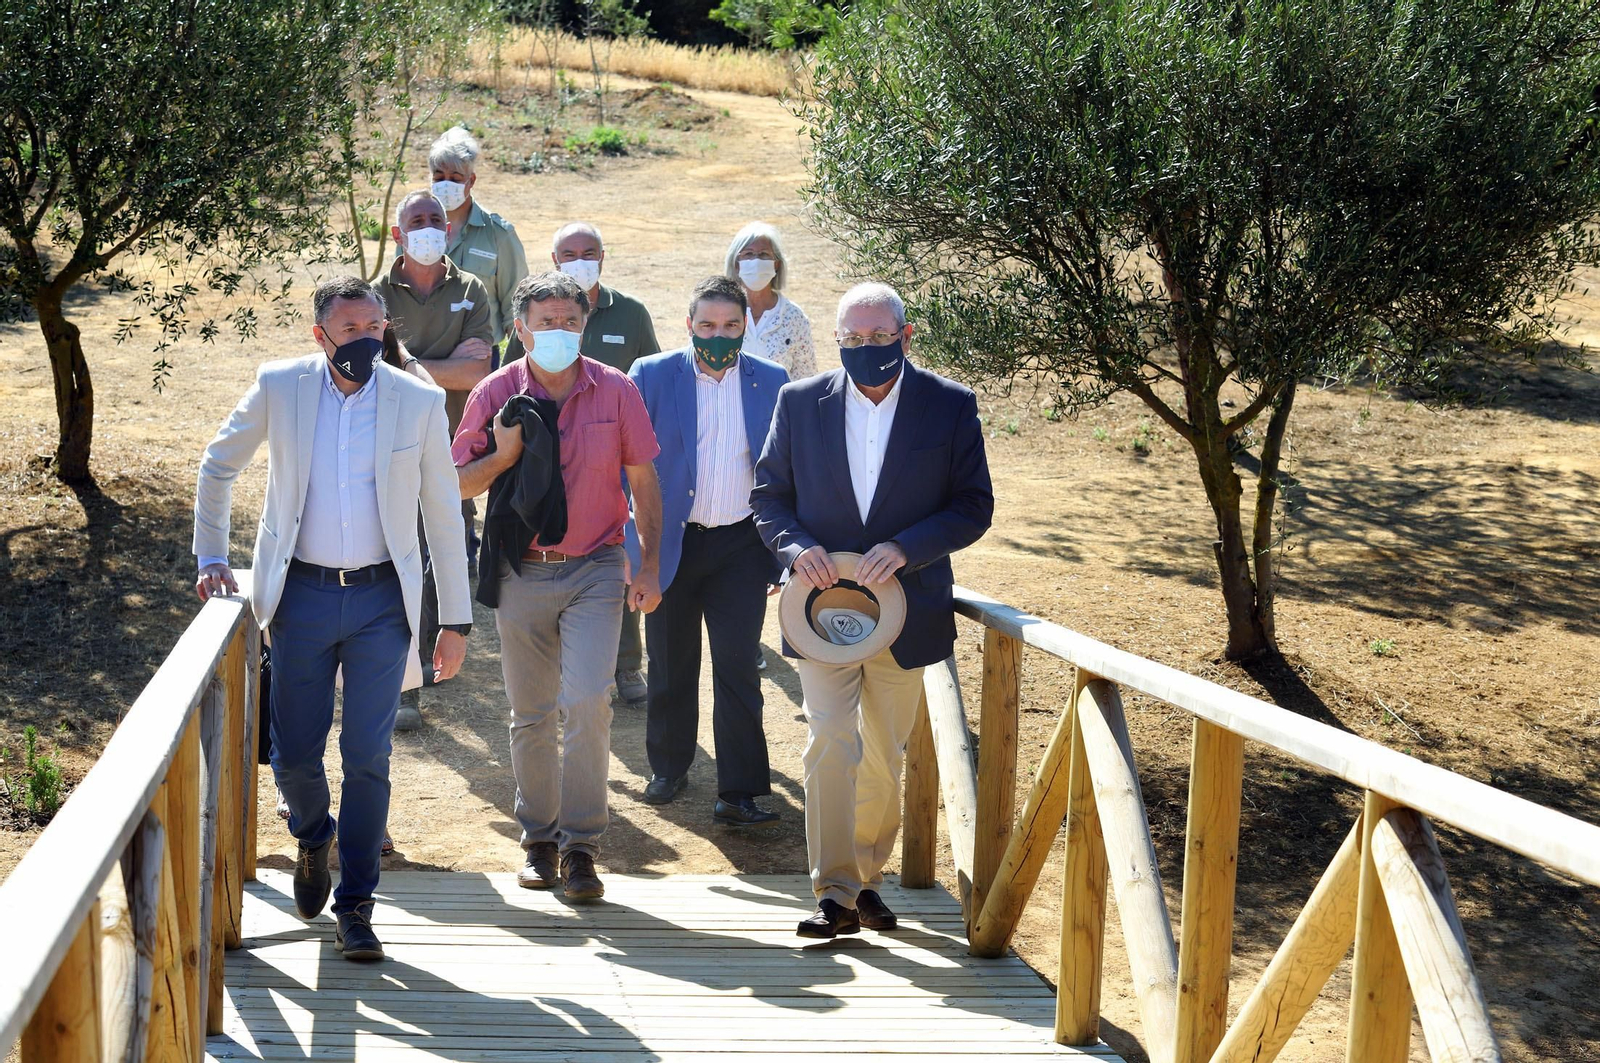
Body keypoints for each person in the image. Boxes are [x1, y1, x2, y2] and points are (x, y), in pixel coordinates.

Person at [193, 276, 472, 961]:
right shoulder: (281, 386)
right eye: (350, 330)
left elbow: (443, 512)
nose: (366, 339)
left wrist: (456, 619)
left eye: (374, 326)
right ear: (321, 336)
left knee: (368, 756)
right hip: (300, 596)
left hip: (382, 601)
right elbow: (218, 463)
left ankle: (357, 906)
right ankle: (314, 834)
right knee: (292, 753)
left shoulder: (417, 400)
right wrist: (210, 555)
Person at [751, 282, 993, 939]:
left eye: (881, 337)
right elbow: (768, 497)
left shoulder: (948, 406)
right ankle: (833, 893)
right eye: (853, 339)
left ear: (906, 336)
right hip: (819, 609)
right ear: (837, 341)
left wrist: (907, 547)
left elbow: (974, 505)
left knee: (884, 754)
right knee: (830, 738)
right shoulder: (799, 403)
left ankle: (866, 880)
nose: (868, 349)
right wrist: (798, 549)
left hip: (906, 611)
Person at [454, 271, 664, 902]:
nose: (558, 333)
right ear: (519, 329)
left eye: (570, 322)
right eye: (545, 323)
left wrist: (649, 565)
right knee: (532, 713)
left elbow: (645, 484)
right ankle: (538, 840)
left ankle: (580, 848)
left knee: (587, 701)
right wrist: (505, 456)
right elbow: (460, 482)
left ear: (585, 326)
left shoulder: (617, 389)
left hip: (596, 566)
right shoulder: (493, 392)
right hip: (520, 566)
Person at [626, 276, 788, 825]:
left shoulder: (773, 380)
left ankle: (739, 791)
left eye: (731, 326)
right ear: (688, 325)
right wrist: (636, 554)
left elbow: (785, 472)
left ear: (746, 326)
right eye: (707, 325)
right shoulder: (650, 375)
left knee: (738, 664)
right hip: (670, 542)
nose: (719, 335)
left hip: (741, 544)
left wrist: (780, 554)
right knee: (670, 660)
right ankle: (669, 768)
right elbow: (626, 470)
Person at [507, 221, 663, 706]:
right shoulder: (535, 311)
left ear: (604, 255)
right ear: (554, 260)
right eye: (569, 252)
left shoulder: (632, 313)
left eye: (589, 251)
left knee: (612, 550)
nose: (580, 259)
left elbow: (650, 378)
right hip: (549, 458)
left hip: (614, 446)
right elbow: (512, 378)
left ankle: (627, 665)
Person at [377, 189, 496, 728]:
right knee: (399, 563)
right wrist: (444, 364)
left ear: (448, 229)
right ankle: (405, 684)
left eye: (435, 219)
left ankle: (428, 659)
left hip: (451, 451)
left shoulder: (472, 289)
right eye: (416, 220)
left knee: (443, 559)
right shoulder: (374, 295)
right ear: (398, 234)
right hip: (384, 449)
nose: (428, 227)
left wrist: (404, 362)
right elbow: (366, 368)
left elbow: (478, 372)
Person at [429, 126, 529, 350]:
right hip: (424, 357)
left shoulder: (499, 235)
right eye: (439, 177)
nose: (446, 184)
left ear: (471, 180)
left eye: (455, 178)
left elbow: (517, 308)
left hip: (480, 358)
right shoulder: (416, 231)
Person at [725, 222, 817, 379]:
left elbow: (805, 376)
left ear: (777, 264)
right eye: (748, 254)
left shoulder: (793, 317)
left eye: (764, 254)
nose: (756, 261)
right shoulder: (719, 313)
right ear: (736, 264)